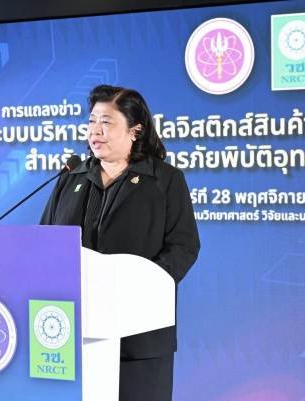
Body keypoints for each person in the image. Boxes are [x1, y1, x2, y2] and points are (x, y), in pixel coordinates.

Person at [40, 84, 200, 401]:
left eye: (106, 122)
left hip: (138, 335)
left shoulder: (164, 179)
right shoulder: (72, 176)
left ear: (135, 131)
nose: (95, 131)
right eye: (91, 121)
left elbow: (183, 246)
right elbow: (45, 239)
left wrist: (140, 287)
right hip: (73, 332)